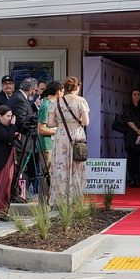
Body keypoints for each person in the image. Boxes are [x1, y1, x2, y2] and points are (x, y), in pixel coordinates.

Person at [49, 76, 90, 204]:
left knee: (61, 167)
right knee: (76, 166)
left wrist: (61, 122)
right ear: (77, 87)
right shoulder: (81, 101)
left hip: (61, 136)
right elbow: (86, 121)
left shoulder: (57, 102)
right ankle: (75, 198)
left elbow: (50, 123)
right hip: (76, 136)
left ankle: (60, 199)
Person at [34, 81, 62, 195]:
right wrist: (57, 131)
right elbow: (40, 129)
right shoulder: (46, 105)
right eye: (63, 91)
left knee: (52, 173)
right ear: (58, 92)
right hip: (46, 145)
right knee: (47, 173)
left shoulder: (53, 104)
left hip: (52, 144)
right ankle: (44, 203)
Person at [123, 89, 140, 187]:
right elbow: (128, 120)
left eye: (138, 94)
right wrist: (137, 130)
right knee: (131, 157)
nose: (136, 96)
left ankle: (137, 178)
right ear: (131, 96)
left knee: (138, 158)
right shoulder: (127, 107)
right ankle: (132, 178)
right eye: (134, 94)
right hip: (130, 135)